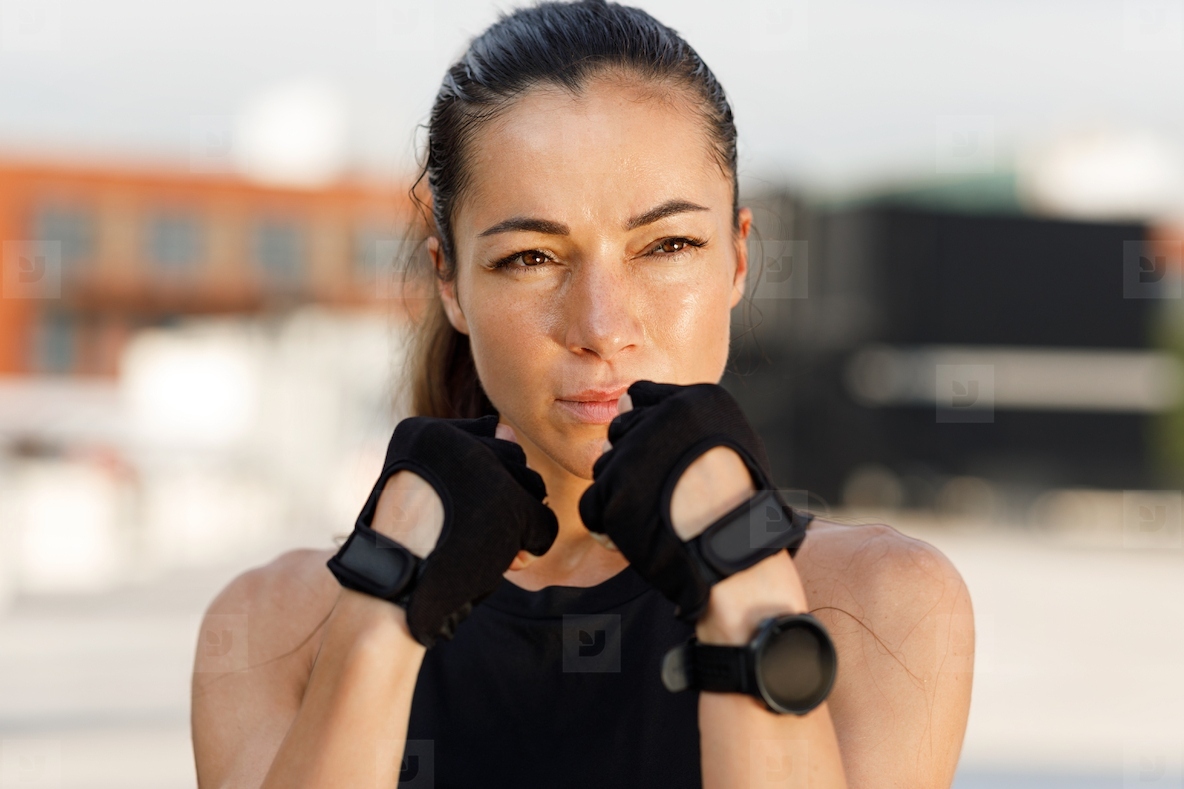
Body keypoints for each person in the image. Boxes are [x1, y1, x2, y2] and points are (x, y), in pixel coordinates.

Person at [191, 1, 974, 787]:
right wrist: (380, 614)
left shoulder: (882, 604)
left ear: (736, 261)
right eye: (531, 257)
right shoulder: (272, 624)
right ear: (450, 281)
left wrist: (743, 584)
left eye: (667, 245)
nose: (602, 326)